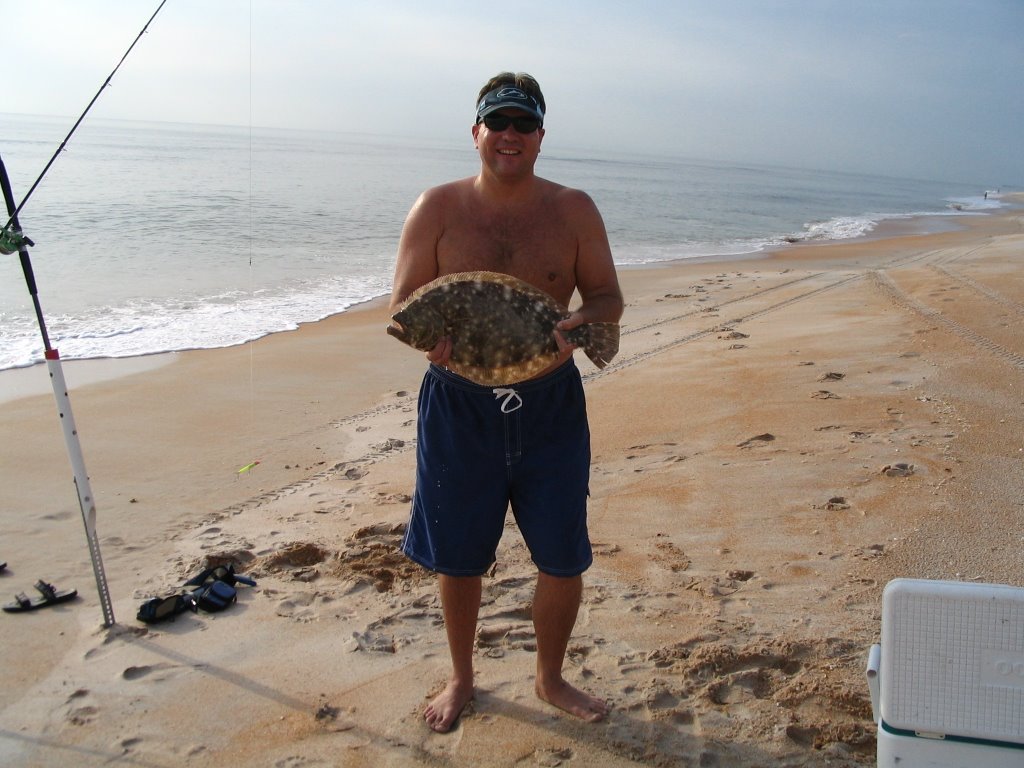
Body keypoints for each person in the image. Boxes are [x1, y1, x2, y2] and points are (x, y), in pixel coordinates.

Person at [390, 71, 624, 733]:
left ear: (541, 137)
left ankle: (549, 678)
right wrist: (432, 339)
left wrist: (582, 329)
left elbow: (607, 299)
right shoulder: (435, 208)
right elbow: (404, 307)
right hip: (459, 406)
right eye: (499, 123)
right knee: (458, 553)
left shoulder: (574, 209)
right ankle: (462, 675)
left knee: (562, 552)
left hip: (549, 404)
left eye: (524, 124)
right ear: (476, 133)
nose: (510, 136)